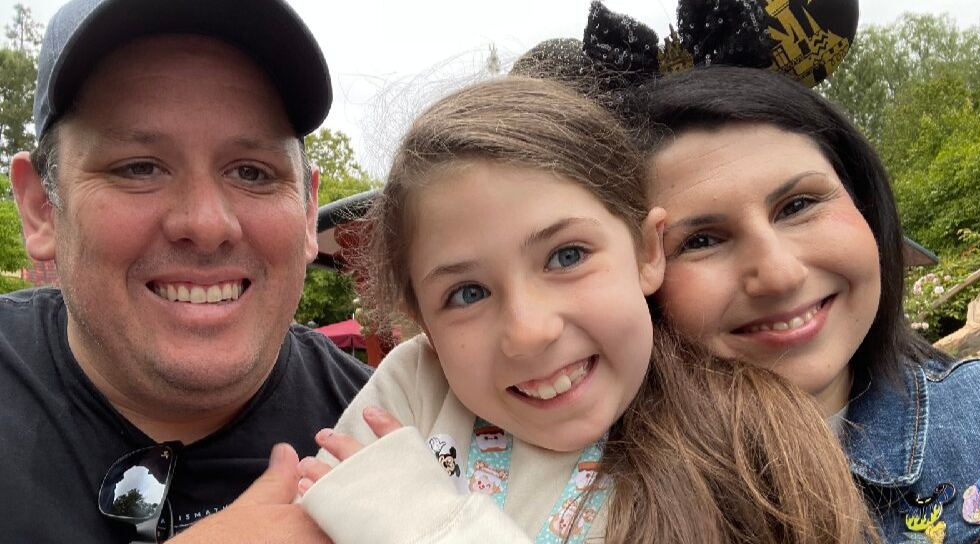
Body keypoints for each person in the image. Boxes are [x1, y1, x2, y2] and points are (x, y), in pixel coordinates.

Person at [292, 76, 877, 544]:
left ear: (648, 251)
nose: (529, 332)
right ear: (421, 322)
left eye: (566, 255)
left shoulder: (754, 448)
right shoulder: (415, 390)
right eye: (466, 294)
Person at [1, 0, 371, 542]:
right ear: (40, 207)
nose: (206, 223)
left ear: (309, 211)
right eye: (138, 168)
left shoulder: (389, 425)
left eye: (252, 172)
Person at [639, 66, 980, 544]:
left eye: (797, 205)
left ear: (864, 205)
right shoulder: (601, 505)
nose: (780, 275)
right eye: (702, 240)